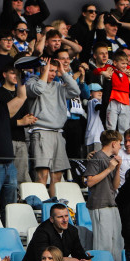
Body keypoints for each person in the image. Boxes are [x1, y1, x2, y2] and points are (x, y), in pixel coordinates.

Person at [27, 58, 81, 198]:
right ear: (41, 69)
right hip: (41, 131)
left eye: (55, 71)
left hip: (58, 132)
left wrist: (63, 72)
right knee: (42, 174)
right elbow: (38, 89)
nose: (53, 74)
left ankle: (54, 204)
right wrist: (44, 72)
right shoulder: (31, 82)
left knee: (57, 176)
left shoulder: (58, 86)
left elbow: (76, 91)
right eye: (50, 70)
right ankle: (40, 205)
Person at [20, 203, 96, 261]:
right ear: (52, 219)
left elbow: (78, 252)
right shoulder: (42, 232)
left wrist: (85, 260)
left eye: (66, 216)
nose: (65, 220)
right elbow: (42, 258)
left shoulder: (72, 230)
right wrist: (66, 260)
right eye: (60, 217)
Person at [85, 129, 124, 261]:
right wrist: (108, 169)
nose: (120, 147)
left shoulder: (110, 159)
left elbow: (115, 186)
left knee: (117, 243)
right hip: (100, 205)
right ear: (113, 143)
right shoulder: (97, 157)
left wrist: (117, 168)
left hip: (112, 203)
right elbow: (89, 182)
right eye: (119, 143)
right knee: (103, 243)